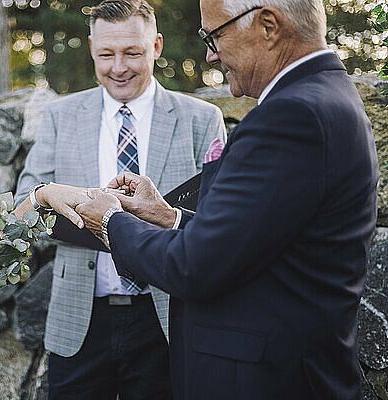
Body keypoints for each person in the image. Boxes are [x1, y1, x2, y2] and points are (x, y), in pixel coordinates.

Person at [66, 0, 379, 399]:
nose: (211, 53)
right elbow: (254, 236)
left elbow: (194, 265)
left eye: (214, 35)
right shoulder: (324, 97)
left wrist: (111, 220)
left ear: (268, 26)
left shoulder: (291, 116)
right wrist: (169, 217)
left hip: (266, 380)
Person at [13, 0, 225, 398]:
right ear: (91, 47)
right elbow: (19, 210)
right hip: (80, 317)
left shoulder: (202, 118)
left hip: (168, 315)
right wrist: (44, 195)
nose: (119, 67)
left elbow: (217, 223)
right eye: (106, 54)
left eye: (133, 52)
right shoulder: (61, 115)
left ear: (157, 45)